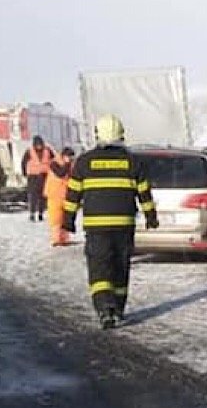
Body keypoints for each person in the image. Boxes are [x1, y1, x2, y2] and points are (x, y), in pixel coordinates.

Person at [62, 115, 158, 329]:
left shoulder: (84, 162)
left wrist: (68, 221)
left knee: (99, 268)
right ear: (121, 135)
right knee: (120, 267)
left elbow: (72, 195)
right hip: (124, 226)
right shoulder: (133, 162)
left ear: (97, 135)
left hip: (96, 228)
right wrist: (151, 217)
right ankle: (119, 308)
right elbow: (144, 193)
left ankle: (105, 308)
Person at [44, 146, 75, 246]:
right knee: (56, 219)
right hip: (54, 195)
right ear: (63, 156)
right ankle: (56, 239)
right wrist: (67, 164)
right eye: (69, 157)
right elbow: (61, 173)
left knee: (65, 218)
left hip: (65, 195)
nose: (70, 159)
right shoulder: (54, 163)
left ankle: (64, 239)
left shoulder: (70, 165)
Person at [20, 135, 52, 221]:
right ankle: (32, 214)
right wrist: (24, 173)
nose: (39, 146)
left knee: (43, 196)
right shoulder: (29, 151)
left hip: (44, 176)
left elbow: (54, 160)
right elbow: (23, 162)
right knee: (33, 196)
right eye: (37, 144)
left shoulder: (48, 150)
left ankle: (41, 213)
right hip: (33, 177)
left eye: (40, 144)